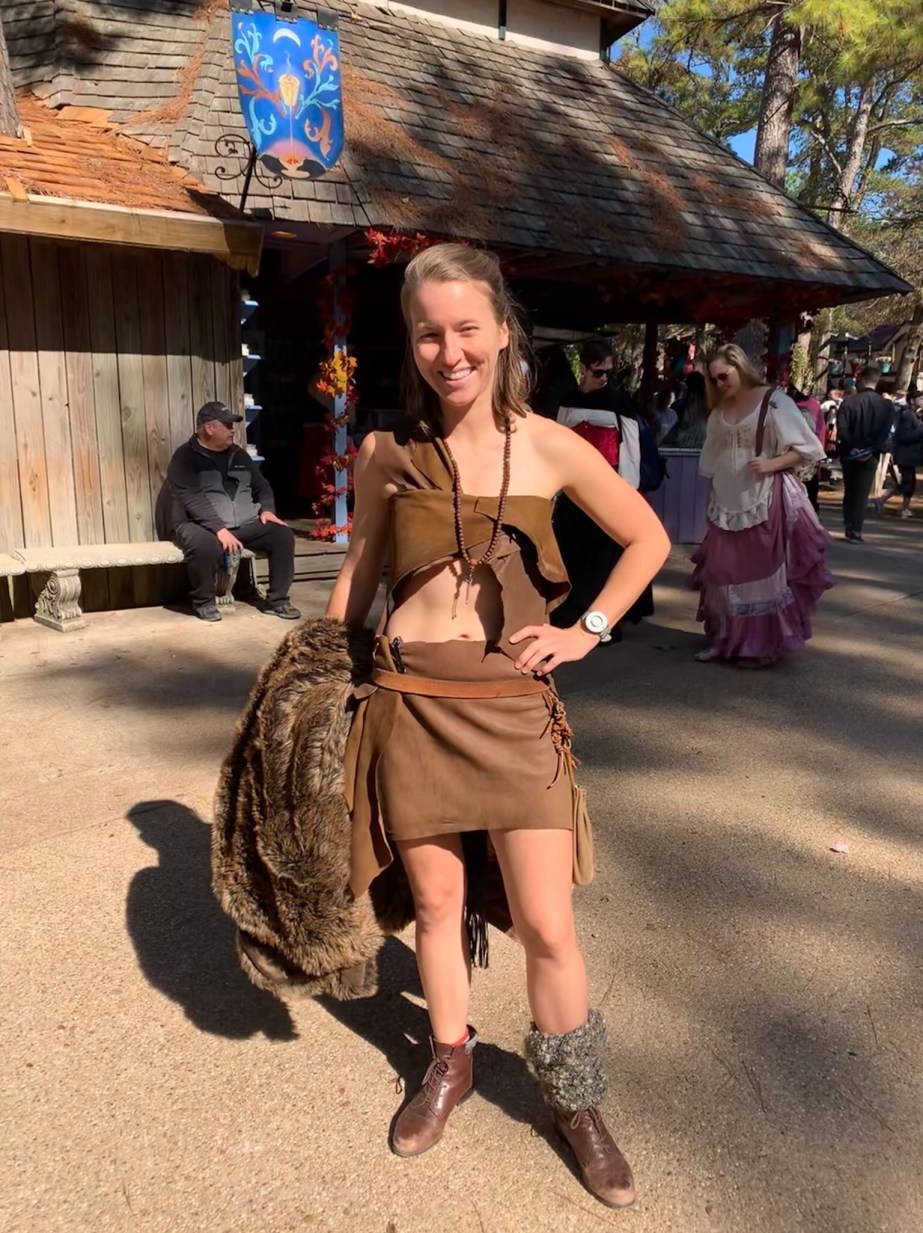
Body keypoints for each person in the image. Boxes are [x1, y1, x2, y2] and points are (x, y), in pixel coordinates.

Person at [327, 245, 669, 1208]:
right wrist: (314, 684)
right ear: (412, 342)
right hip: (409, 702)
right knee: (436, 906)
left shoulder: (551, 445)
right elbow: (356, 577)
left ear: (503, 331)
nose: (450, 351)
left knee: (547, 924)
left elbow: (647, 538)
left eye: (467, 328)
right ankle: (451, 1057)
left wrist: (583, 631)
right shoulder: (384, 453)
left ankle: (574, 1097)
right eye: (428, 333)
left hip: (514, 709)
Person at [691, 345, 830, 668]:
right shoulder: (720, 409)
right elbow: (711, 459)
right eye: (713, 380)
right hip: (725, 501)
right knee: (722, 572)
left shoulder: (774, 401)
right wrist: (711, 498)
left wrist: (772, 463)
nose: (720, 384)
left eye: (724, 376)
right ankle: (724, 640)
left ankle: (758, 646)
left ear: (740, 367)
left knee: (758, 574)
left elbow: (808, 448)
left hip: (763, 498)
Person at [550, 341, 656, 640]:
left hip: (608, 488)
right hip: (572, 492)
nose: (605, 379)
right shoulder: (568, 399)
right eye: (598, 372)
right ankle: (568, 617)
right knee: (570, 553)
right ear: (583, 369)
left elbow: (631, 449)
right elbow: (557, 443)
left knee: (604, 559)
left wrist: (626, 491)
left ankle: (603, 623)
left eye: (611, 372)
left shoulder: (620, 402)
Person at [162, 402, 302, 622]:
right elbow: (192, 498)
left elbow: (262, 486)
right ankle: (203, 601)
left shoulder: (239, 455)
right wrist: (219, 529)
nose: (232, 430)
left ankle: (277, 601)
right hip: (197, 524)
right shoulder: (185, 457)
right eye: (227, 425)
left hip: (243, 524)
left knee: (282, 535)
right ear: (209, 428)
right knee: (206, 546)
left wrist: (268, 510)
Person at [836, 366, 896, 542]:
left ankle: (849, 523)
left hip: (850, 452)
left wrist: (852, 446)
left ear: (861, 380)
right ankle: (856, 529)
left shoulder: (849, 402)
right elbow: (885, 433)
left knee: (850, 489)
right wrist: (871, 447)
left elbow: (842, 429)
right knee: (862, 492)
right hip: (871, 453)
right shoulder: (886, 406)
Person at [876, 389, 923, 519]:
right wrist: (921, 431)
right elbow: (903, 436)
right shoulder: (907, 415)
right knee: (908, 482)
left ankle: (884, 501)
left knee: (907, 482)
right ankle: (902, 508)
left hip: (910, 455)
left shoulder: (913, 414)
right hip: (905, 455)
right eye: (920, 399)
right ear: (912, 401)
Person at [788, 384, 825, 513]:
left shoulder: (784, 404)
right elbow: (820, 431)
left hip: (792, 456)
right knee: (809, 492)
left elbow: (820, 430)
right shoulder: (813, 405)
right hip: (809, 456)